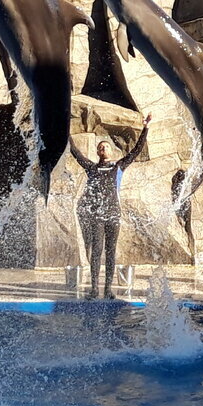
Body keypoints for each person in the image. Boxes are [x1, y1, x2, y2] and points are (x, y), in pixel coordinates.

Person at [69, 114, 151, 298]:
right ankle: (94, 288)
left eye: (106, 147)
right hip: (97, 215)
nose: (103, 149)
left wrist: (145, 128)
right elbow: (75, 152)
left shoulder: (118, 167)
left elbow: (136, 150)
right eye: (101, 147)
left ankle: (107, 289)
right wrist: (64, 129)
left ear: (111, 152)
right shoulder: (91, 168)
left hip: (113, 214)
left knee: (110, 252)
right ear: (98, 153)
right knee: (96, 251)